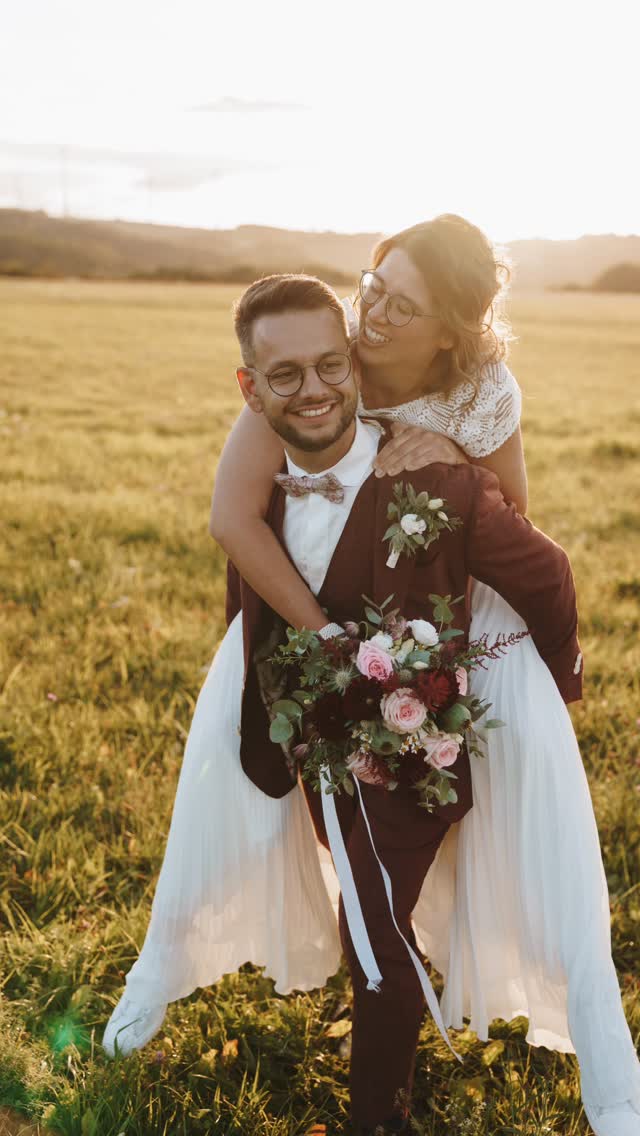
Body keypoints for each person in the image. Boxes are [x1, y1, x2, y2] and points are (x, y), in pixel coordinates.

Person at [107, 272, 582, 1132]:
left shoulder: (435, 475)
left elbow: (548, 574)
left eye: (332, 365)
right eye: (284, 376)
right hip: (310, 733)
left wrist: (545, 686)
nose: (315, 389)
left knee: (371, 916)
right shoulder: (262, 475)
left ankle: (378, 1116)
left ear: (356, 367)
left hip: (422, 741)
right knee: (353, 890)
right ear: (249, 390)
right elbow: (234, 530)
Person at [209, 216, 640, 1134]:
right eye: (374, 285)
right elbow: (234, 513)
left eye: (401, 306)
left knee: (436, 822)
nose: (373, 315)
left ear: (450, 330)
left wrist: (448, 454)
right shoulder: (321, 365)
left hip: (442, 612)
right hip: (323, 613)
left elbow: (511, 517)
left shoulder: (482, 390)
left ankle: (392, 1000)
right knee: (335, 833)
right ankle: (376, 960)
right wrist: (324, 637)